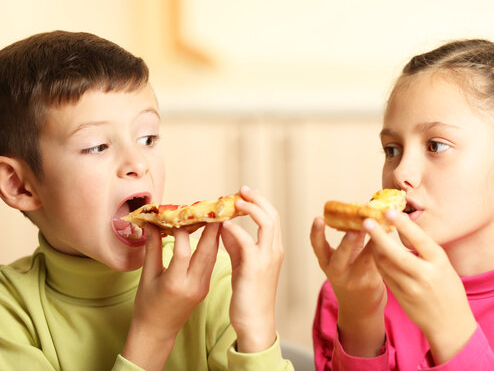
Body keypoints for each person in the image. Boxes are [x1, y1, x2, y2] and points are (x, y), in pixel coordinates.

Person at [0, 31, 293, 371]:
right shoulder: (11, 313)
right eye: (97, 146)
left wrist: (256, 328)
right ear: (20, 185)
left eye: (148, 138)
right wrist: (154, 333)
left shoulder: (215, 284)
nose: (138, 163)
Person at [311, 39, 494, 370]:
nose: (401, 173)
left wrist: (454, 334)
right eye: (392, 149)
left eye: (436, 146)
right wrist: (361, 324)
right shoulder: (353, 295)